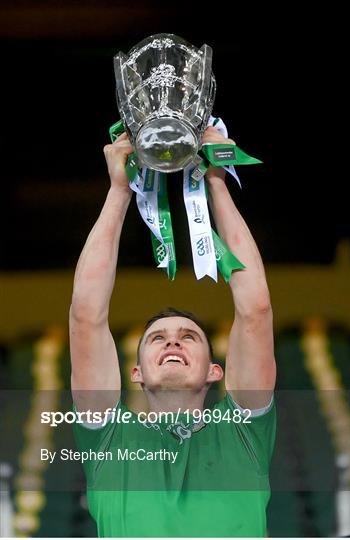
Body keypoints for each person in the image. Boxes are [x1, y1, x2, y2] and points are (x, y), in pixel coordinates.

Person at [70, 126, 277, 537]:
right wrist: (119, 190)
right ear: (136, 372)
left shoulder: (242, 433)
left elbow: (255, 312)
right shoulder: (109, 441)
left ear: (215, 371)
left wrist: (216, 180)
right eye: (157, 339)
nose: (172, 342)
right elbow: (86, 317)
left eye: (189, 336)